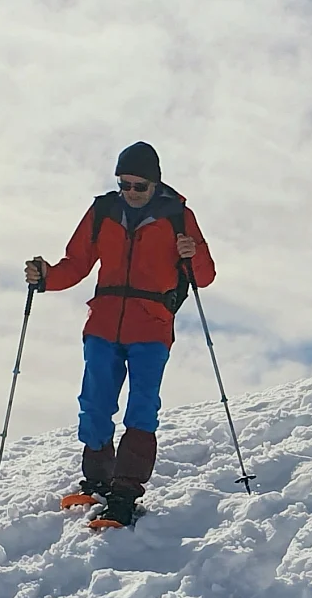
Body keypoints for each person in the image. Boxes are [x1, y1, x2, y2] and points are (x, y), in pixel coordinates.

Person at [24, 142, 216, 528]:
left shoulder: (178, 216)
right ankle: (97, 481)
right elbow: (76, 264)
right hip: (103, 322)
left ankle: (125, 491)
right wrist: (46, 277)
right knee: (94, 403)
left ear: (154, 183)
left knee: (141, 407)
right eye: (123, 184)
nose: (130, 192)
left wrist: (192, 252)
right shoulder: (103, 211)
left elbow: (205, 276)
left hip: (152, 325)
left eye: (138, 186)